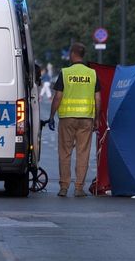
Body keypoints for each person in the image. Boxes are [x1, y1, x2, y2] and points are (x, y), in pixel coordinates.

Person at [48, 43, 101, 197]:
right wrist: (97, 118)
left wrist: (52, 116)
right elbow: (98, 98)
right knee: (83, 153)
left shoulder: (65, 73)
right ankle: (79, 188)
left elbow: (58, 96)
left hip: (67, 119)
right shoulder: (92, 74)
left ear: (72, 54)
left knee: (65, 153)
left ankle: (64, 187)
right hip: (86, 119)